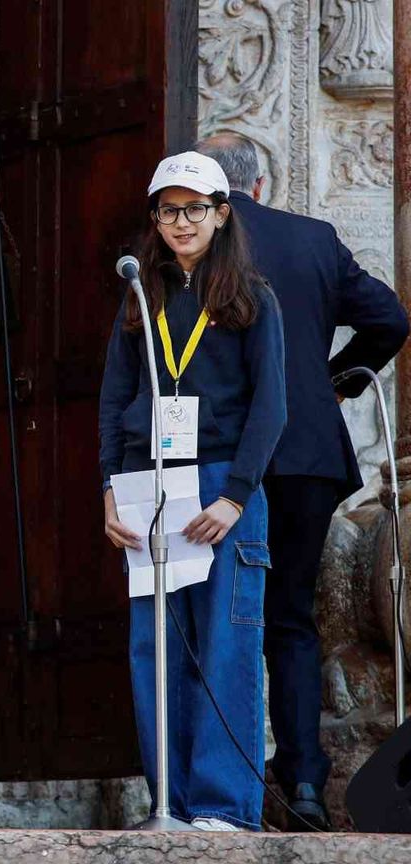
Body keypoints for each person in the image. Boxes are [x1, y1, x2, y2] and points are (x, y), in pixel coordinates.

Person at [196, 132, 409, 830]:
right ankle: (306, 786)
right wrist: (332, 381)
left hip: (221, 453)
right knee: (288, 617)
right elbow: (391, 320)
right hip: (308, 450)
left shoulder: (192, 239)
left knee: (211, 616)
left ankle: (215, 785)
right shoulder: (314, 238)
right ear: (261, 185)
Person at [98, 151, 286, 832]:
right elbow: (118, 398)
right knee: (155, 644)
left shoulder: (250, 298)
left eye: (196, 208)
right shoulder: (140, 295)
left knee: (225, 644)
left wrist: (235, 495)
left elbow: (272, 408)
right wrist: (110, 490)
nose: (182, 221)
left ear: (222, 214)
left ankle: (222, 806)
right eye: (169, 209)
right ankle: (169, 801)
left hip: (220, 488)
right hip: (151, 485)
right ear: (155, 218)